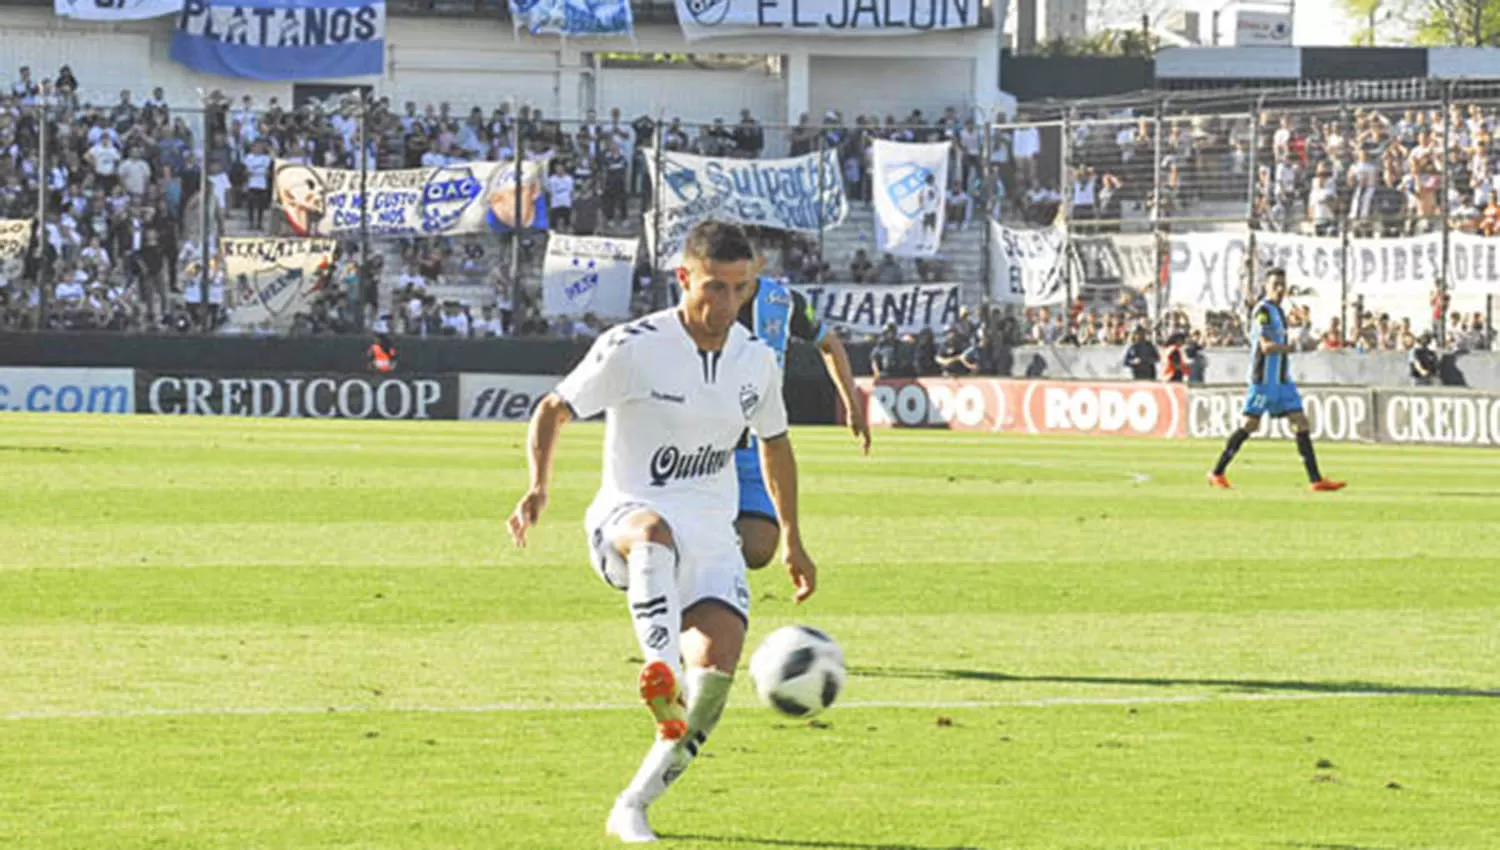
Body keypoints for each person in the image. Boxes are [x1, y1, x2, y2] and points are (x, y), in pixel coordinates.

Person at [506, 221, 817, 844]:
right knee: (652, 531)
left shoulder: (755, 359)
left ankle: (634, 803)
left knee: (716, 677)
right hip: (627, 516)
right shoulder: (632, 346)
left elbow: (775, 445)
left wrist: (792, 536)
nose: (724, 304)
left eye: (738, 289)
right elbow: (553, 409)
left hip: (712, 538)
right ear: (684, 278)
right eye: (713, 287)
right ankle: (659, 672)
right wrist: (539, 487)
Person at [734, 271, 869, 569]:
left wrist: (852, 403)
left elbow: (829, 343)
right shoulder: (700, 301)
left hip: (760, 443)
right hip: (708, 444)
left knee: (757, 548)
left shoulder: (783, 301)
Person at [1208, 269, 1346, 492]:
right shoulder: (1262, 311)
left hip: (1282, 381)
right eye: (1276, 285)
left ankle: (1316, 480)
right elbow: (1265, 346)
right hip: (1264, 380)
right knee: (1249, 425)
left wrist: (1305, 329)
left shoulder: (1280, 312)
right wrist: (1293, 347)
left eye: (1283, 284)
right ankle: (1216, 472)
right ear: (1266, 286)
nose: (1280, 289)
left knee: (1301, 422)